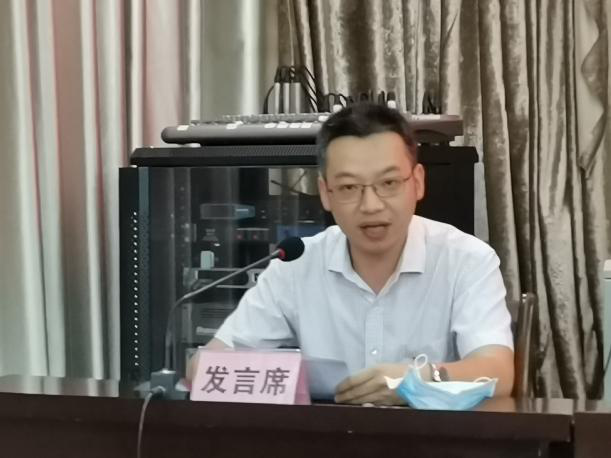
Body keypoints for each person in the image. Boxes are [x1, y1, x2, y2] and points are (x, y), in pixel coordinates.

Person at [191, 103, 514, 405]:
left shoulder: (466, 260)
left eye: (389, 183)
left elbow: (498, 373)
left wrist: (419, 380)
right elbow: (206, 366)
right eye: (348, 187)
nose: (371, 205)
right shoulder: (296, 265)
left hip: (434, 438)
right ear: (325, 193)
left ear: (417, 183)